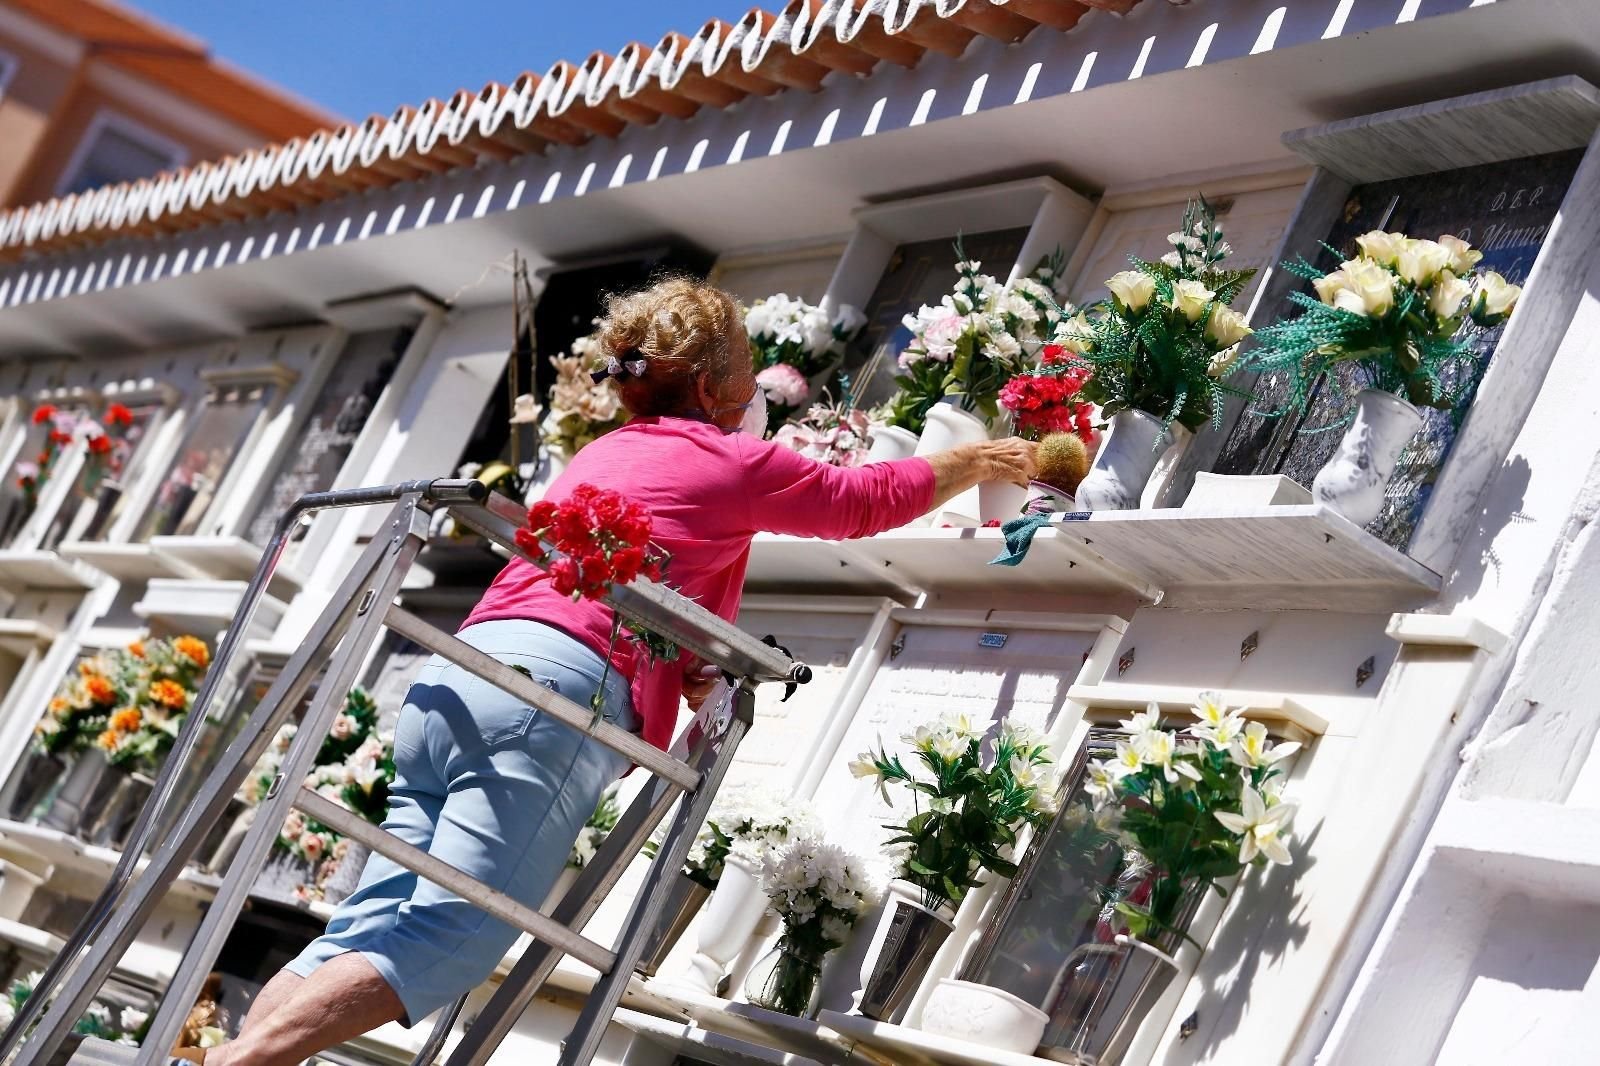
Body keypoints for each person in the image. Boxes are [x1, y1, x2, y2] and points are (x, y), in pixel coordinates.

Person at [200, 278, 1037, 1066]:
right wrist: (981, 462)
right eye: (746, 367)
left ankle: (224, 1050)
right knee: (455, 935)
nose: (757, 389)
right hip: (553, 699)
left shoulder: (607, 452)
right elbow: (864, 501)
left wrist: (689, 659)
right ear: (711, 386)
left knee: (369, 926)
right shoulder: (727, 457)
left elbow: (648, 573)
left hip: (458, 677)